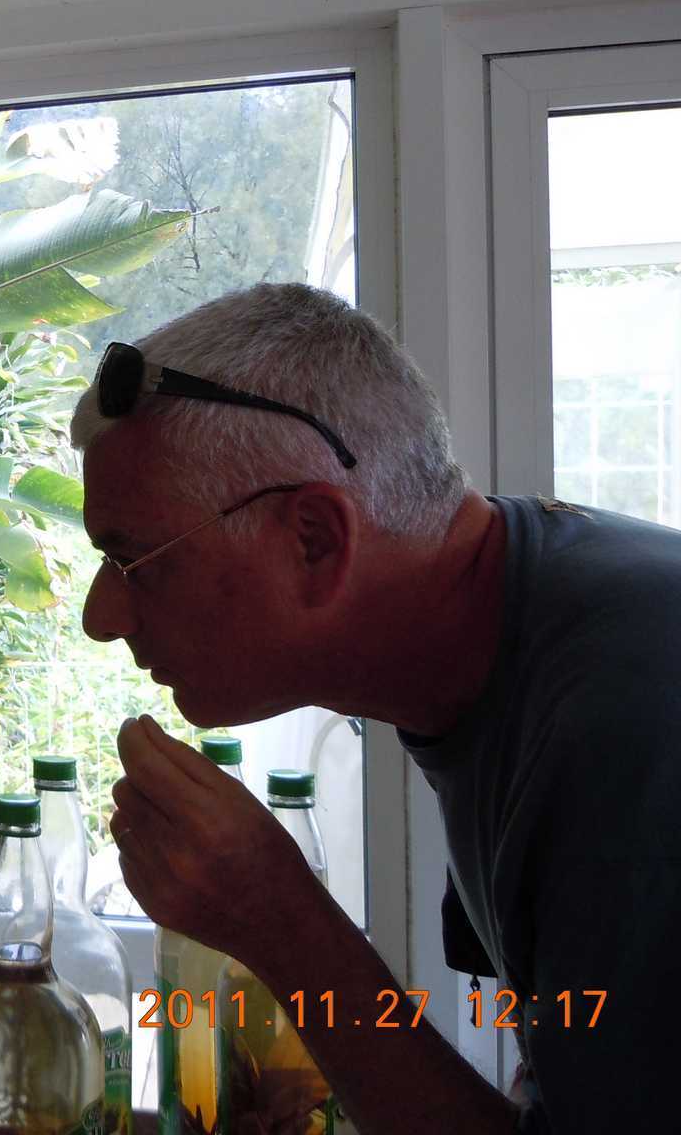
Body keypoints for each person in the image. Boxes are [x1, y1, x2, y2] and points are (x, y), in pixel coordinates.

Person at [73, 282, 678, 1134]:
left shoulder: (628, 718)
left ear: (315, 542)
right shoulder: (488, 639)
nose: (101, 617)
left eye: (136, 562)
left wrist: (281, 920)